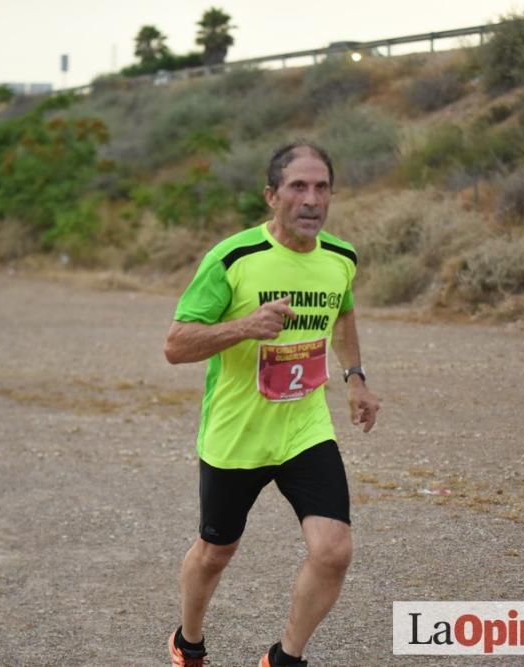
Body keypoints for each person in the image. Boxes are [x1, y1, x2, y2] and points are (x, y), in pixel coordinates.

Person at [163, 140, 380, 667]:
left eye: (322, 187)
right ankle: (187, 641)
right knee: (216, 553)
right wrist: (245, 327)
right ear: (271, 196)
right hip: (237, 433)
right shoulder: (235, 258)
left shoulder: (341, 258)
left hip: (304, 428)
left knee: (334, 551)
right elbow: (175, 344)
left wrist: (354, 377)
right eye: (298, 187)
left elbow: (343, 312)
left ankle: (284, 658)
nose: (312, 199)